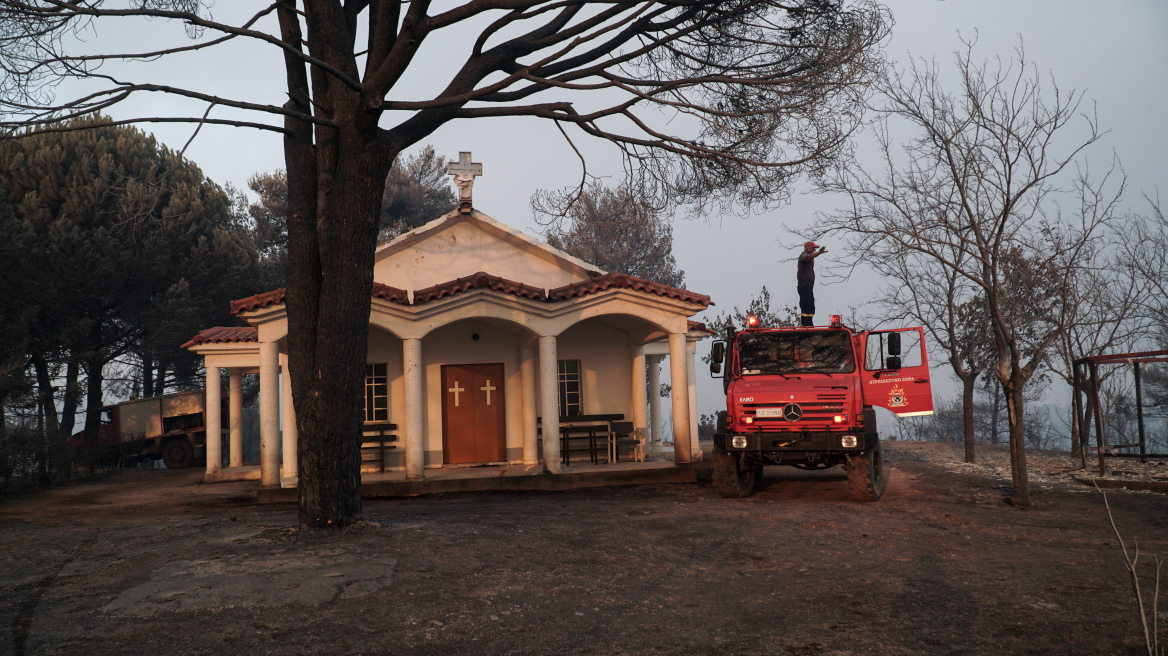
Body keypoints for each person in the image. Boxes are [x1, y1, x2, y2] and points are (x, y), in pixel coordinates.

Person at [796, 241, 826, 326]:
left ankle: (809, 324)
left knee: (811, 307)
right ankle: (805, 325)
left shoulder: (809, 260)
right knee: (805, 307)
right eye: (813, 248)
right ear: (808, 248)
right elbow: (808, 257)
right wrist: (819, 253)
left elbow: (810, 257)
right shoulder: (802, 256)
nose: (814, 250)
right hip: (804, 285)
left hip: (808, 286)